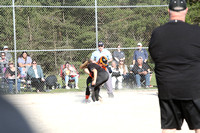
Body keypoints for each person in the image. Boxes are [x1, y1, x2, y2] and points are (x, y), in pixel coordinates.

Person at [149, 0, 200, 132]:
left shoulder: (158, 33)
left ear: (168, 11)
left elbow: (154, 56)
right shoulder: (196, 31)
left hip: (168, 87)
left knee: (169, 127)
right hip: (193, 88)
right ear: (186, 10)